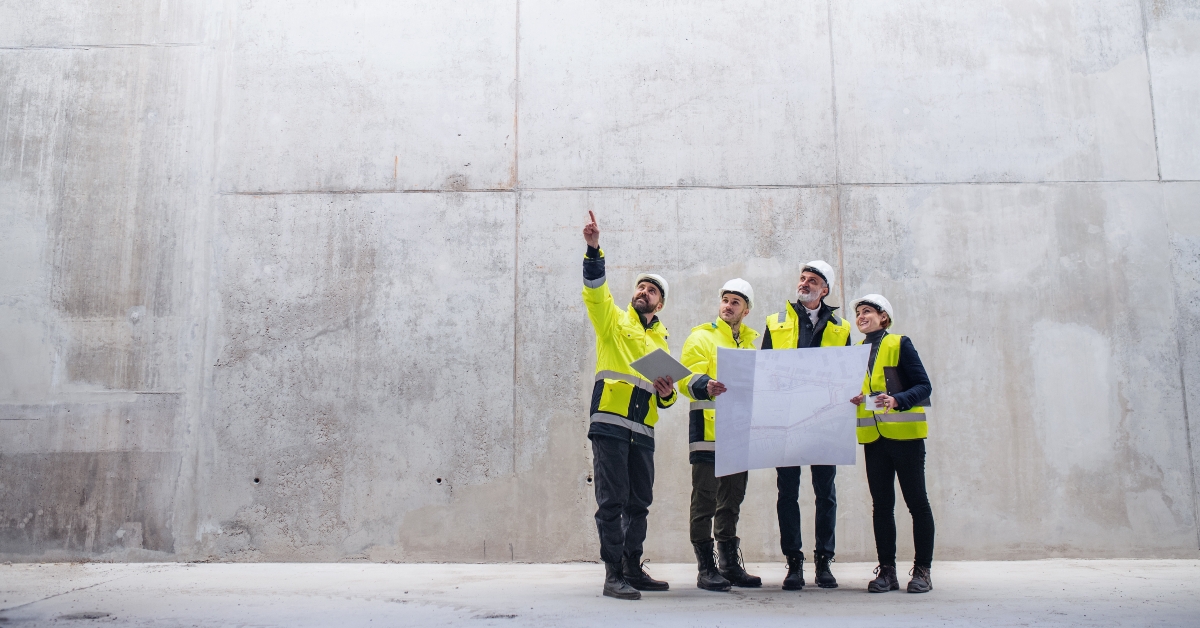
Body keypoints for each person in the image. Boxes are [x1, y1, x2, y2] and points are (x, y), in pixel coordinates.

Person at [581, 211, 678, 600]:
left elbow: (666, 398)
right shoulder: (613, 322)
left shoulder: (661, 342)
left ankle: (633, 568)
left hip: (643, 433)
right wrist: (593, 252)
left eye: (651, 291)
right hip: (610, 425)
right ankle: (613, 574)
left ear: (660, 303)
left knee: (639, 502)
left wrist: (668, 391)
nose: (643, 292)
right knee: (612, 501)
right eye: (640, 287)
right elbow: (595, 291)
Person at [761, 260, 851, 590]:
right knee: (788, 492)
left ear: (824, 290)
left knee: (825, 493)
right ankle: (794, 563)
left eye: (812, 280)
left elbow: (847, 373)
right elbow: (765, 371)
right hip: (786, 420)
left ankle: (824, 562)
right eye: (802, 278)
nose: (804, 283)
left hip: (825, 420)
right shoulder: (776, 321)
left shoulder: (841, 327)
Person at [848, 294, 934, 594]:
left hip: (906, 438)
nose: (861, 316)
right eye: (858, 312)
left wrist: (897, 400)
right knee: (882, 507)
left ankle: (923, 570)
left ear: (883, 317)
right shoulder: (856, 351)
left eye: (867, 311)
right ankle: (887, 572)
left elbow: (924, 386)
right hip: (874, 438)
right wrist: (860, 398)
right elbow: (870, 392)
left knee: (917, 504)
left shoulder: (899, 343)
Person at [678, 279, 761, 591]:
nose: (728, 305)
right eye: (725, 300)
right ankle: (706, 567)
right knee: (705, 501)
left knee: (731, 501)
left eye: (735, 302)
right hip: (708, 431)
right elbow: (685, 377)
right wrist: (705, 384)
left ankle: (728, 565)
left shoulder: (751, 344)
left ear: (746, 310)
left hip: (739, 434)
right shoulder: (702, 336)